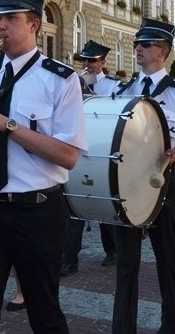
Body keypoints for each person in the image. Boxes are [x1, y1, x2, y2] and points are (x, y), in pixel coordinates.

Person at [0, 0, 87, 333]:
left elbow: (68, 156)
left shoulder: (61, 80)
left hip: (37, 212)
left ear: (35, 24)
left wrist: (6, 124)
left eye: (12, 17)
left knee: (44, 315)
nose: (1, 25)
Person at [111, 18, 175, 333]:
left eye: (146, 44)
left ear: (163, 51)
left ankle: (171, 323)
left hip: (165, 182)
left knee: (168, 258)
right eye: (137, 44)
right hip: (127, 182)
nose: (138, 48)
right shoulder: (124, 90)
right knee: (126, 264)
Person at [61, 40, 119, 277]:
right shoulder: (75, 81)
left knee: (104, 201)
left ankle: (112, 250)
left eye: (92, 61)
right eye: (84, 60)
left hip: (103, 147)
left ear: (103, 62)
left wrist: (92, 94)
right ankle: (69, 258)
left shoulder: (114, 86)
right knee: (74, 202)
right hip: (79, 147)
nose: (87, 64)